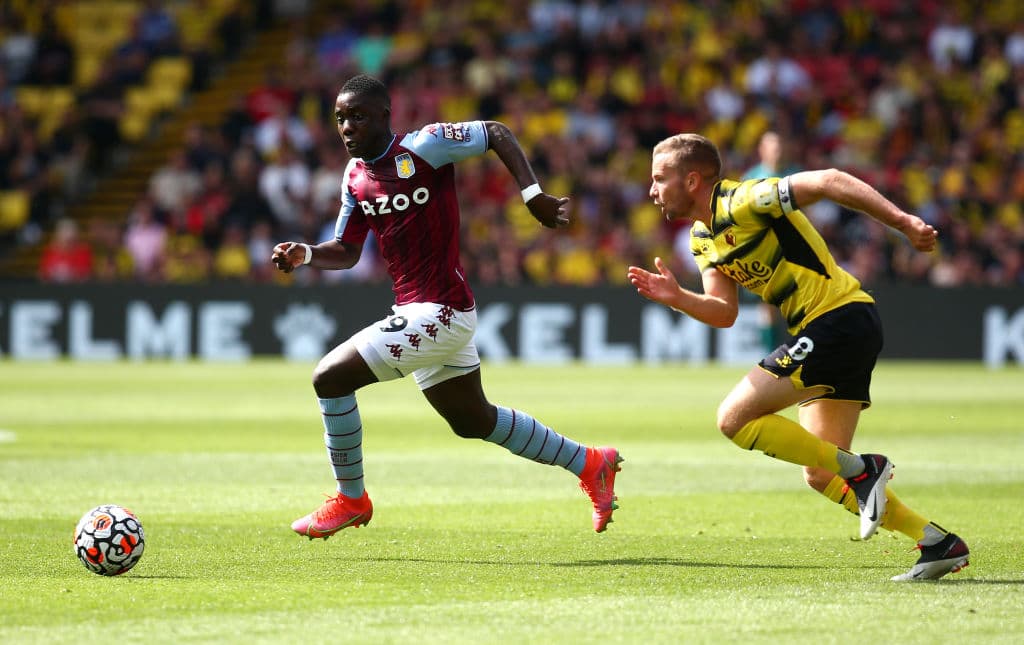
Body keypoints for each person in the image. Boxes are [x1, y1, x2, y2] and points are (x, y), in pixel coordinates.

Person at [271, 74, 622, 539]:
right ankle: (590, 463)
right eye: (339, 118)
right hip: (427, 313)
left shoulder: (425, 146)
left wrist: (532, 196)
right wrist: (307, 254)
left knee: (329, 377)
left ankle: (350, 498)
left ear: (382, 115)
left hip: (440, 311)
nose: (346, 126)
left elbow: (497, 132)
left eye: (356, 116)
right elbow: (348, 249)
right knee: (472, 420)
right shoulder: (354, 178)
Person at [627, 133, 969, 581]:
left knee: (733, 418)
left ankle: (866, 469)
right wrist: (677, 297)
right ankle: (937, 542)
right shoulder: (701, 237)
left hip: (838, 319)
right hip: (835, 331)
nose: (652, 190)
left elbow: (827, 179)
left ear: (691, 180)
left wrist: (903, 222)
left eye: (660, 179)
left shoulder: (745, 200)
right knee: (821, 473)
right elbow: (724, 311)